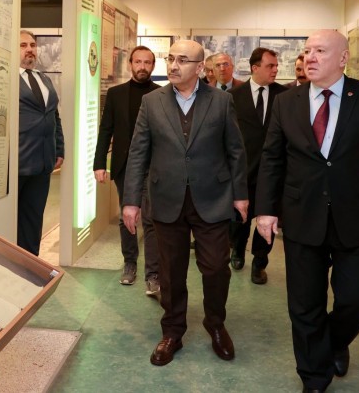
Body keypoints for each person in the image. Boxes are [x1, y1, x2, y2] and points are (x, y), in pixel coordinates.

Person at [255, 29, 359, 393]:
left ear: (343, 58)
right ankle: (314, 377)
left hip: (354, 214)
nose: (310, 57)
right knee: (304, 304)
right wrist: (266, 210)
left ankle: (334, 341)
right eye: (307, 51)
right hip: (302, 214)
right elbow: (272, 159)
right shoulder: (286, 102)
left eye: (320, 51)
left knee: (358, 298)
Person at [124, 39, 248, 366]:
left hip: (213, 198)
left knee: (216, 267)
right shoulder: (152, 102)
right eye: (170, 58)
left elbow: (235, 150)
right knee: (171, 271)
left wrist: (240, 194)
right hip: (166, 198)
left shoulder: (220, 101)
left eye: (182, 60)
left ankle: (215, 324)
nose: (173, 65)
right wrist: (131, 201)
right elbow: (138, 153)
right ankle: (172, 331)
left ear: (199, 67)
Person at [93, 46, 161, 295]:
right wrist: (99, 163)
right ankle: (130, 263)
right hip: (124, 165)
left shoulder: (162, 94)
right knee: (127, 217)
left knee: (151, 219)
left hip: (153, 166)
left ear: (153, 66)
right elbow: (105, 130)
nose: (142, 66)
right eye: (138, 62)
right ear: (130, 64)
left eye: (147, 62)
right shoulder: (115, 94)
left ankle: (153, 274)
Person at [228, 47, 286, 284]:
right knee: (239, 218)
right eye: (270, 66)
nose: (275, 70)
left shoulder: (285, 96)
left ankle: (259, 262)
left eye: (276, 66)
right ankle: (237, 249)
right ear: (255, 68)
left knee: (268, 218)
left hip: (273, 173)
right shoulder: (233, 96)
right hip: (243, 171)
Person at [17, 29, 64, 256]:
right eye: (23, 45)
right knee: (13, 221)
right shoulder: (7, 78)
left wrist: (59, 149)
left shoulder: (43, 79)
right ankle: (14, 266)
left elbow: (54, 116)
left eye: (33, 45)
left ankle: (31, 262)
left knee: (34, 219)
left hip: (43, 163)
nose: (30, 50)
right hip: (18, 163)